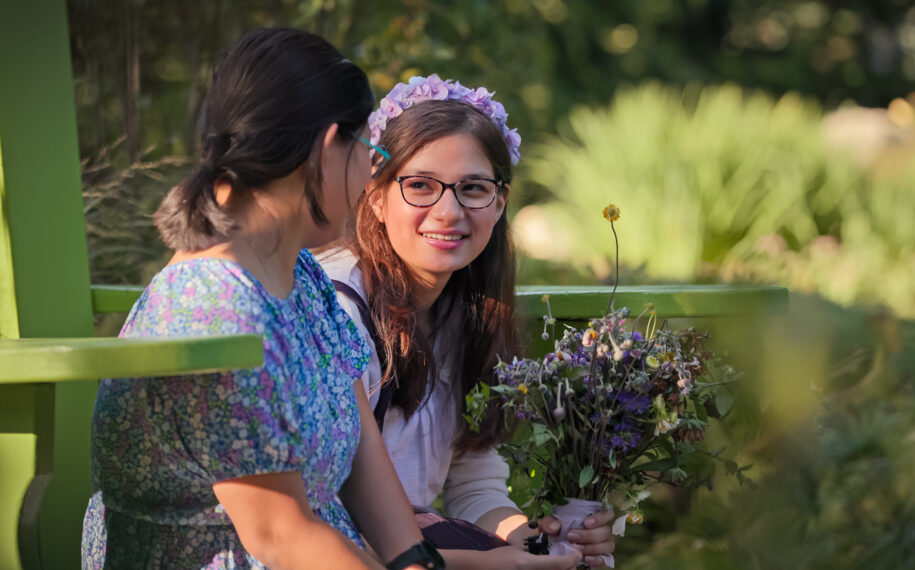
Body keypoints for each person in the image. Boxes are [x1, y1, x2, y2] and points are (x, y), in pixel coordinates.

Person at [82, 28, 439, 570]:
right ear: (327, 149)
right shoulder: (212, 308)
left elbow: (364, 444)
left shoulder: (302, 275)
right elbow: (278, 533)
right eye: (368, 150)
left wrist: (416, 560)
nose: (371, 176)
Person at [316, 75, 615, 569]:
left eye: (472, 189)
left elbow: (474, 483)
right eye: (420, 186)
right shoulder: (338, 311)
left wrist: (539, 542)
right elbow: (311, 523)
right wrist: (490, 563)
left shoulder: (465, 314)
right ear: (375, 195)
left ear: (499, 203)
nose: (448, 212)